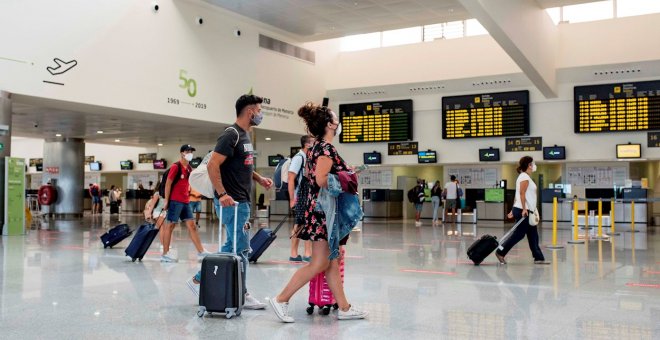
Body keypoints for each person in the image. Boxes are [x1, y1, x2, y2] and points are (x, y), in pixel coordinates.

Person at [269, 102, 367, 323]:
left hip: (320, 211)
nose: (338, 121)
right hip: (325, 214)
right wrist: (348, 177)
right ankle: (281, 299)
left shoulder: (316, 148)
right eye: (336, 118)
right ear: (331, 124)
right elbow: (322, 180)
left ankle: (344, 307)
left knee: (330, 261)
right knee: (320, 263)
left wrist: (345, 172)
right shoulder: (326, 149)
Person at [186, 94, 273, 310]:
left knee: (234, 245)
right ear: (250, 111)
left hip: (241, 201)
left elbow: (242, 165)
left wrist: (258, 178)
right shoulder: (231, 134)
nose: (261, 114)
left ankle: (198, 279)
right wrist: (223, 193)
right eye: (259, 110)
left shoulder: (245, 136)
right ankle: (242, 293)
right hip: (231, 202)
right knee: (241, 248)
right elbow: (213, 165)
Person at [495, 156, 550, 265]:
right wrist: (523, 208)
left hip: (525, 209)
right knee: (519, 234)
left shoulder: (526, 177)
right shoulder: (524, 176)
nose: (534, 165)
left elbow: (517, 195)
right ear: (529, 165)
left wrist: (512, 209)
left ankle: (539, 258)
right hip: (523, 210)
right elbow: (521, 193)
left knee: (533, 235)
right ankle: (500, 252)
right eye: (532, 163)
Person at [160, 144, 210, 263]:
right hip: (175, 201)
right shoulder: (175, 167)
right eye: (188, 151)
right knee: (170, 226)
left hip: (185, 202)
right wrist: (167, 200)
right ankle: (165, 254)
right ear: (182, 153)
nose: (190, 153)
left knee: (192, 226)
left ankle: (201, 252)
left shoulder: (188, 168)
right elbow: (168, 184)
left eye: (191, 151)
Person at [288, 135, 313, 262]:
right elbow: (291, 178)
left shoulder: (309, 157)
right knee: (299, 224)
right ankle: (294, 253)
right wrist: (292, 199)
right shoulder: (299, 158)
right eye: (313, 142)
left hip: (308, 196)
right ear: (307, 144)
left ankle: (308, 253)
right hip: (301, 197)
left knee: (308, 223)